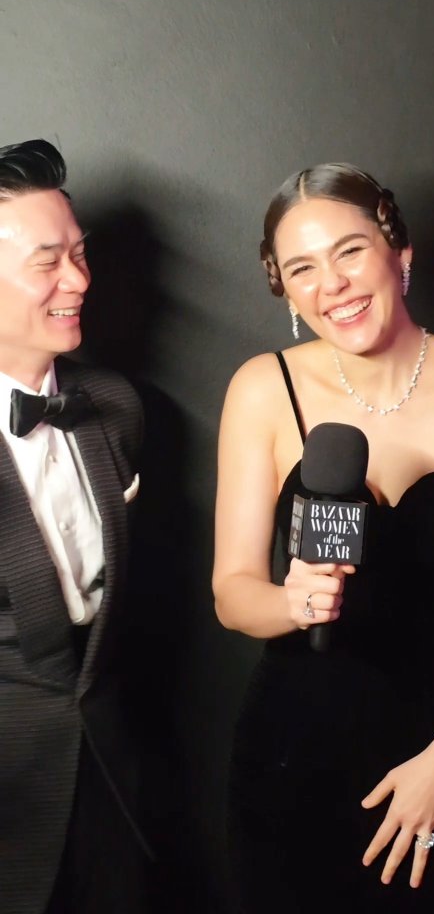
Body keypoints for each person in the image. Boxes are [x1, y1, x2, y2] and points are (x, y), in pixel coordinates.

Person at [213, 163, 434, 913]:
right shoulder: (264, 390)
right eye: (302, 267)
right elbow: (232, 592)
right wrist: (292, 603)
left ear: (401, 254)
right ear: (285, 290)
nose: (332, 284)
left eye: (350, 251)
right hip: (293, 767)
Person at [0, 139, 152, 913]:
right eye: (48, 261)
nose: (80, 280)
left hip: (114, 788)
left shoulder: (116, 405)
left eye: (81, 254)